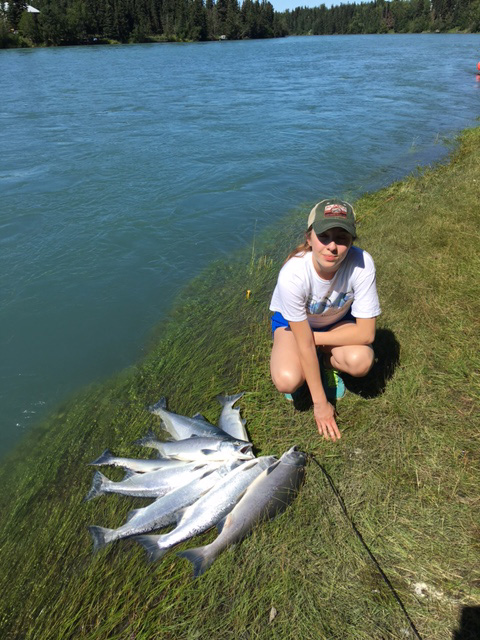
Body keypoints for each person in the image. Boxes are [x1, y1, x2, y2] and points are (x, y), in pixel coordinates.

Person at [269, 198, 381, 441]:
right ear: (309, 238)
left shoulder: (363, 264)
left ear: (352, 241)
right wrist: (321, 405)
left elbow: (367, 334)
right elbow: (302, 338)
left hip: (333, 324)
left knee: (361, 361)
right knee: (287, 381)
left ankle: (326, 364)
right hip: (292, 327)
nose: (332, 246)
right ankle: (309, 365)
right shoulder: (293, 274)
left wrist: (312, 340)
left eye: (342, 238)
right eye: (324, 236)